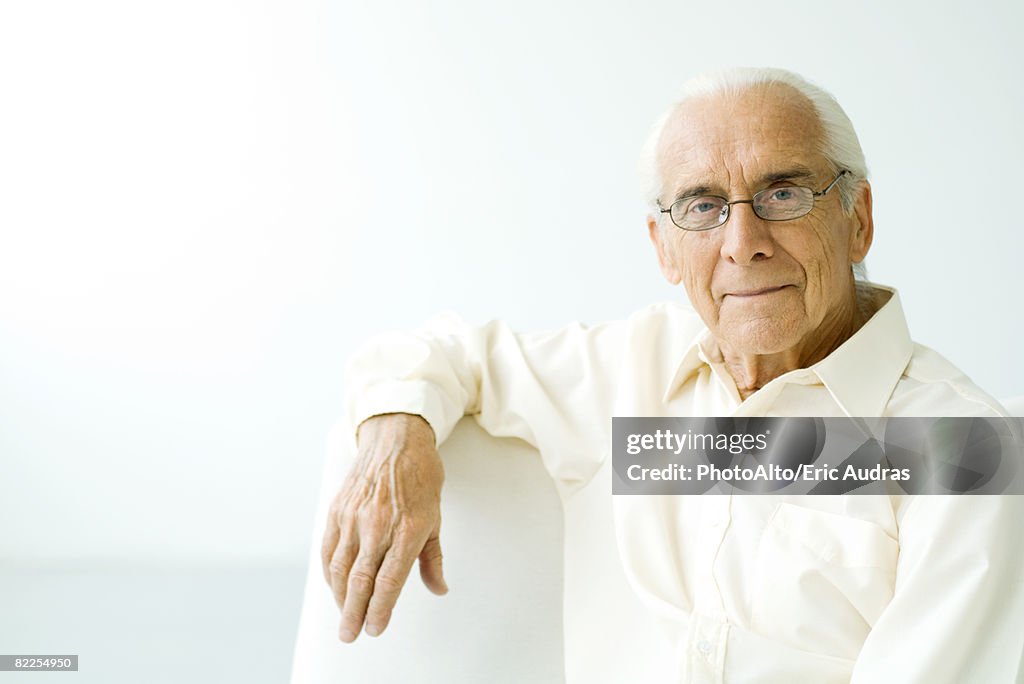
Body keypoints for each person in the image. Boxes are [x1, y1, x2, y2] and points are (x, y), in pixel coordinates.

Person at [319, 67, 1024, 682]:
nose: (742, 244)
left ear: (857, 218)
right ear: (663, 247)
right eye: (702, 207)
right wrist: (394, 437)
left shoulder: (963, 449)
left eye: (783, 193)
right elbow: (430, 352)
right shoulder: (629, 372)